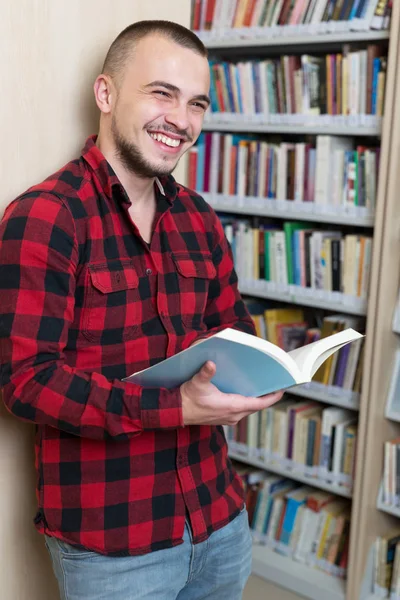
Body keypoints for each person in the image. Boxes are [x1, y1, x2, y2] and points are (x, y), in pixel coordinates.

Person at [0, 20, 283, 600]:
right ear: (106, 95)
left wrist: (260, 375)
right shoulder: (46, 217)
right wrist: (173, 407)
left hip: (218, 519)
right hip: (113, 544)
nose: (181, 119)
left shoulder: (198, 218)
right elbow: (25, 383)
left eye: (196, 103)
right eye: (162, 93)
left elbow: (235, 331)